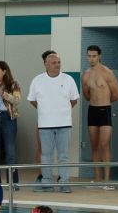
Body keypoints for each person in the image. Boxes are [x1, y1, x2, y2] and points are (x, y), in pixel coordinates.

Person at [28, 51, 80, 193]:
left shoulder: (68, 79)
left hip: (64, 124)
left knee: (63, 155)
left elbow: (74, 100)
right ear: (46, 64)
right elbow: (32, 100)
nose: (57, 65)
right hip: (45, 125)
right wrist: (46, 110)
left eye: (58, 62)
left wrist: (61, 111)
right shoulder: (37, 80)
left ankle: (64, 182)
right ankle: (47, 182)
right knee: (46, 155)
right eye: (54, 63)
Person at [82, 44, 118, 189]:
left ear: (99, 56)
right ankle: (97, 179)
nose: (91, 59)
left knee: (104, 144)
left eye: (94, 56)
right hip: (92, 110)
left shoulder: (107, 73)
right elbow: (86, 95)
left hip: (105, 110)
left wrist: (105, 101)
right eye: (89, 56)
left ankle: (106, 180)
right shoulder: (85, 74)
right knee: (94, 146)